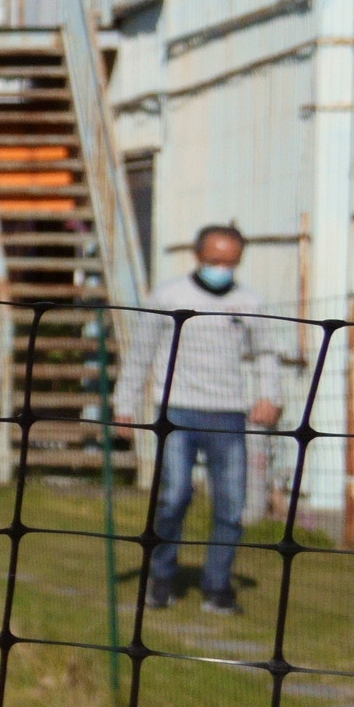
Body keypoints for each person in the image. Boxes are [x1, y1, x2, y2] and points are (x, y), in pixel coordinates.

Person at [128, 224, 281, 612]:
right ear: (198, 256)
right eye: (215, 261)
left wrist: (270, 395)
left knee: (231, 505)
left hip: (228, 413)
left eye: (231, 263)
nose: (222, 269)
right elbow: (141, 350)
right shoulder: (168, 295)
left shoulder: (249, 302)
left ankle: (217, 586)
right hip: (176, 409)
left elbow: (265, 353)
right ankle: (161, 576)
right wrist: (124, 400)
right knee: (175, 495)